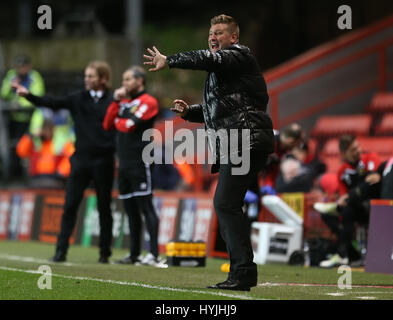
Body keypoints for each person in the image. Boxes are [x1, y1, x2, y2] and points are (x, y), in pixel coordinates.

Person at [143, 14, 275, 291]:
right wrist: (189, 112)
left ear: (234, 38)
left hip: (245, 140)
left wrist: (170, 60)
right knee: (228, 204)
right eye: (210, 33)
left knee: (225, 204)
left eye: (219, 33)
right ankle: (243, 270)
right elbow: (220, 111)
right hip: (238, 141)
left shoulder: (239, 55)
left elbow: (207, 58)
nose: (213, 37)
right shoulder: (225, 72)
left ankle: (243, 272)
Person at [14, 61, 116, 263]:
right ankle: (60, 252)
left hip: (104, 161)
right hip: (81, 160)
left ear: (103, 79)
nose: (87, 80)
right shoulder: (77, 99)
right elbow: (51, 102)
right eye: (86, 76)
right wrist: (29, 96)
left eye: (91, 76)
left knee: (104, 208)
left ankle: (105, 253)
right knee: (70, 205)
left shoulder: (114, 101)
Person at [103, 66, 166, 267]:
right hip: (123, 163)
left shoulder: (148, 101)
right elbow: (107, 124)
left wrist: (119, 118)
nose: (124, 84)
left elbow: (128, 125)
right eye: (123, 80)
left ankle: (154, 254)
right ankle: (134, 254)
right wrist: (115, 102)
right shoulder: (123, 102)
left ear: (140, 81)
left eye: (128, 79)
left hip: (141, 161)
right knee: (130, 210)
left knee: (146, 207)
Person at [314, 134, 381, 267]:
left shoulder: (370, 158)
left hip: (375, 206)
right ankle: (351, 254)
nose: (358, 151)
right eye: (353, 150)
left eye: (358, 147)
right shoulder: (342, 171)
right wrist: (346, 199)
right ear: (344, 154)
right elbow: (344, 197)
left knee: (363, 190)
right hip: (355, 207)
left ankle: (342, 255)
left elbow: (375, 180)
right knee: (330, 214)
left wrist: (349, 196)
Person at [1, 54, 45, 179]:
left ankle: (30, 175)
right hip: (13, 118)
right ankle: (13, 174)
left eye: (23, 66)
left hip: (30, 118)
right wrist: (10, 86)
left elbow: (37, 96)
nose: (21, 69)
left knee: (28, 147)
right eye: (19, 66)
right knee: (13, 148)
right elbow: (3, 94)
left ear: (29, 66)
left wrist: (20, 103)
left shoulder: (35, 77)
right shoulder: (11, 75)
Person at [16, 118, 74, 188]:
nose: (45, 131)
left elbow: (72, 156)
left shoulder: (61, 141)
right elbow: (21, 151)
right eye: (43, 128)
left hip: (56, 181)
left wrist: (61, 173)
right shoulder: (35, 142)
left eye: (47, 128)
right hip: (36, 179)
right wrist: (30, 135)